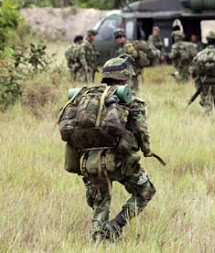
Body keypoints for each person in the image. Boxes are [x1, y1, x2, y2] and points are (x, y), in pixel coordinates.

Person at [59, 56, 156, 241]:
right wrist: (147, 150)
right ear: (125, 79)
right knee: (146, 191)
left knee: (100, 202)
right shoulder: (132, 101)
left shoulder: (85, 98)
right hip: (120, 163)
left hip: (88, 162)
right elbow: (142, 131)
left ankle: (98, 237)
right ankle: (116, 225)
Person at [190, 31, 215, 115]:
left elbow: (194, 73)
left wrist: (199, 85)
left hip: (205, 85)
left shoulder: (199, 56)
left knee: (207, 109)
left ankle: (208, 125)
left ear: (207, 41)